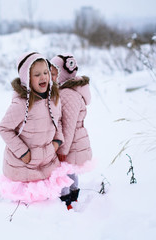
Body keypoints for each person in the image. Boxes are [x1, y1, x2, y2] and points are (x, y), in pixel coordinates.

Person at [0, 52, 75, 204]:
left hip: (47, 163)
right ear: (27, 78)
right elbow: (4, 128)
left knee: (51, 206)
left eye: (46, 72)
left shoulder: (53, 99)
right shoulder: (21, 104)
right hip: (24, 167)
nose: (43, 77)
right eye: (37, 74)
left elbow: (57, 120)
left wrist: (57, 141)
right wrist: (23, 152)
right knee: (32, 210)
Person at [50, 53, 94, 210]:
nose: (51, 76)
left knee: (63, 172)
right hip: (75, 139)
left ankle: (66, 202)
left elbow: (68, 125)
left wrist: (62, 148)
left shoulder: (67, 94)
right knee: (70, 170)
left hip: (70, 142)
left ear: (63, 72)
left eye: (54, 73)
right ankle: (73, 199)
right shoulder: (71, 89)